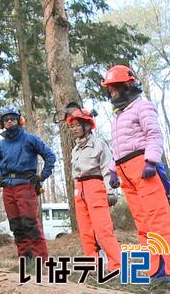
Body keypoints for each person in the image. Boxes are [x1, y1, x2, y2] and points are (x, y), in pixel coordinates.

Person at [102, 64, 170, 286]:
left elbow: (154, 134)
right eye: (110, 90)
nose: (112, 93)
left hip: (144, 168)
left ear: (127, 85)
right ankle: (156, 270)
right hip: (126, 173)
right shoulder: (119, 116)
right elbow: (118, 148)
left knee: (160, 221)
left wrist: (151, 161)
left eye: (114, 88)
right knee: (143, 224)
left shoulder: (142, 106)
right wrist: (114, 171)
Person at [0, 106, 56, 262]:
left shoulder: (30, 139)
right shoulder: (1, 145)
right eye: (6, 120)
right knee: (16, 225)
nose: (10, 122)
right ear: (2, 123)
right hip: (7, 188)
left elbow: (50, 156)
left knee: (30, 223)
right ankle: (25, 259)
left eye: (12, 118)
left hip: (25, 186)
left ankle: (41, 259)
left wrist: (42, 176)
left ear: (19, 120)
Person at [67, 108, 121, 272]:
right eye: (72, 126)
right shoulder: (75, 150)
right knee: (85, 230)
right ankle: (92, 264)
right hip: (79, 189)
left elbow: (107, 169)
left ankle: (116, 265)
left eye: (77, 125)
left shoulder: (99, 144)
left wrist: (110, 191)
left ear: (87, 125)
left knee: (102, 229)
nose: (74, 128)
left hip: (95, 186)